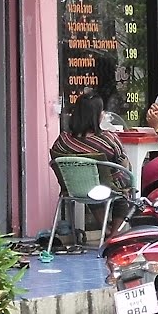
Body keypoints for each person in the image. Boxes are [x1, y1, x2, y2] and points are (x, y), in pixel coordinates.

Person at [51, 93, 133, 235]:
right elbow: (122, 162)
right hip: (104, 188)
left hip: (74, 189)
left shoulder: (63, 141)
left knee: (88, 183)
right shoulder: (108, 139)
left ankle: (104, 230)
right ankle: (114, 235)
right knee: (124, 190)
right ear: (96, 116)